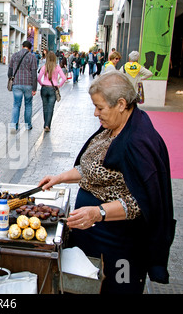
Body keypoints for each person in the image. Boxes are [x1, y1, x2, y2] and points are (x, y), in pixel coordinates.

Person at [38, 71, 176, 294]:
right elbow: (92, 168)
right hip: (92, 235)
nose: (95, 114)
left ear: (121, 104)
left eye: (100, 108)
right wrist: (60, 177)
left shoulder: (139, 141)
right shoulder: (114, 127)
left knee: (116, 288)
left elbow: (142, 202)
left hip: (119, 244)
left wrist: (98, 213)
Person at [7, 40, 38, 132]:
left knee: (16, 105)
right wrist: (34, 88)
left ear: (22, 46)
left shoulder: (14, 55)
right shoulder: (32, 57)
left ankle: (13, 125)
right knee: (28, 105)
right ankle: (28, 125)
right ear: (30, 48)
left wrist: (12, 79)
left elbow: (10, 71)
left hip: (16, 84)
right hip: (28, 84)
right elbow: (34, 74)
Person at [37, 51, 67, 132]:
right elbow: (64, 78)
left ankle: (45, 124)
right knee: (50, 108)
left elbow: (39, 78)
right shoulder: (57, 67)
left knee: (45, 107)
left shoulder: (44, 67)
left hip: (44, 88)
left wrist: (42, 84)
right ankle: (47, 125)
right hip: (53, 89)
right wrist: (59, 85)